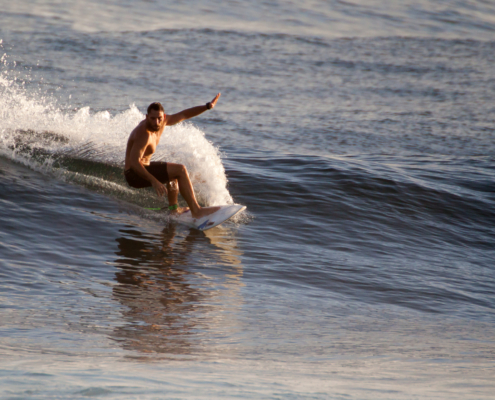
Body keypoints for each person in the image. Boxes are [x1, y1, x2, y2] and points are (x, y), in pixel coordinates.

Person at [124, 94, 221, 219]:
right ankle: (196, 210)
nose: (156, 122)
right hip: (133, 174)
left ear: (163, 116)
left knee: (173, 173)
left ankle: (173, 210)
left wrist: (207, 106)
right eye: (152, 118)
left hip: (143, 167)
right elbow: (134, 163)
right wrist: (154, 181)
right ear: (147, 117)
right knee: (180, 170)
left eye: (159, 118)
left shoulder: (163, 122)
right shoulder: (143, 134)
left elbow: (184, 115)